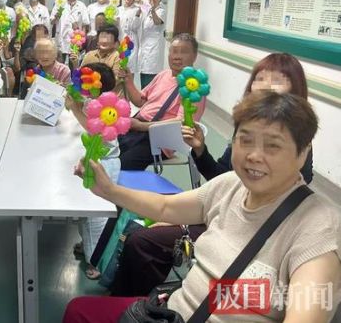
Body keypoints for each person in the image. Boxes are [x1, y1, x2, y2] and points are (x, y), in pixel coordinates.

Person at [64, 91, 341, 323]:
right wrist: (109, 190)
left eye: (273, 146)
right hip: (175, 310)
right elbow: (165, 207)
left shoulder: (318, 231)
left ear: (303, 152)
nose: (254, 156)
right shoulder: (231, 185)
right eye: (245, 140)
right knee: (78, 311)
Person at [110, 52, 314, 297]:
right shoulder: (244, 128)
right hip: (221, 212)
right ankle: (140, 303)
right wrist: (200, 150)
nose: (266, 85)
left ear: (295, 89)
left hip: (243, 229)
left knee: (143, 242)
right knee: (139, 234)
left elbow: (284, 200)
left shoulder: (297, 143)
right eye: (260, 78)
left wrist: (190, 221)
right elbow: (222, 178)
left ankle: (139, 305)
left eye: (278, 79)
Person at [117, 33, 206, 171]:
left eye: (183, 52)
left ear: (194, 56)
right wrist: (129, 81)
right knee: (107, 151)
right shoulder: (163, 74)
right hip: (137, 128)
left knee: (121, 165)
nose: (177, 56)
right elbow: (140, 101)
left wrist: (141, 126)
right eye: (173, 51)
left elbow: (182, 122)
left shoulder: (194, 86)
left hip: (161, 140)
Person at [66, 63, 120, 280]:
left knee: (95, 215)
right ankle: (89, 245)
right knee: (86, 211)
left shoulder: (105, 106)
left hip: (104, 163)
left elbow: (93, 129)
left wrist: (75, 109)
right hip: (97, 159)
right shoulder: (94, 101)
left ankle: (96, 261)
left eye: (84, 81)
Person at [51, 0, 90, 67]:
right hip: (61, 41)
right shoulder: (59, 4)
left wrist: (81, 42)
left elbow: (85, 25)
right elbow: (52, 21)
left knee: (74, 66)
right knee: (59, 67)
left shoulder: (82, 6)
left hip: (76, 42)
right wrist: (57, 16)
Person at [138, 0, 167, 88]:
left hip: (154, 48)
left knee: (151, 75)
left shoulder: (161, 11)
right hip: (144, 47)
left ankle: (150, 96)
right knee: (143, 73)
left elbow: (157, 22)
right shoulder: (147, 10)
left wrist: (153, 11)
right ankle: (143, 95)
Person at [80, 25, 121, 92]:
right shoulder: (89, 55)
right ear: (97, 40)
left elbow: (115, 80)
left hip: (109, 95)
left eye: (109, 39)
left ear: (115, 42)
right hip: (89, 94)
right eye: (102, 38)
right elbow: (80, 74)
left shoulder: (117, 56)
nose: (104, 41)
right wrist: (75, 63)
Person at [117, 0, 142, 86]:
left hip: (131, 44)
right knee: (118, 71)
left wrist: (137, 15)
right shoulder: (118, 10)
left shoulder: (138, 10)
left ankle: (129, 93)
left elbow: (136, 27)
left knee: (129, 71)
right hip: (118, 42)